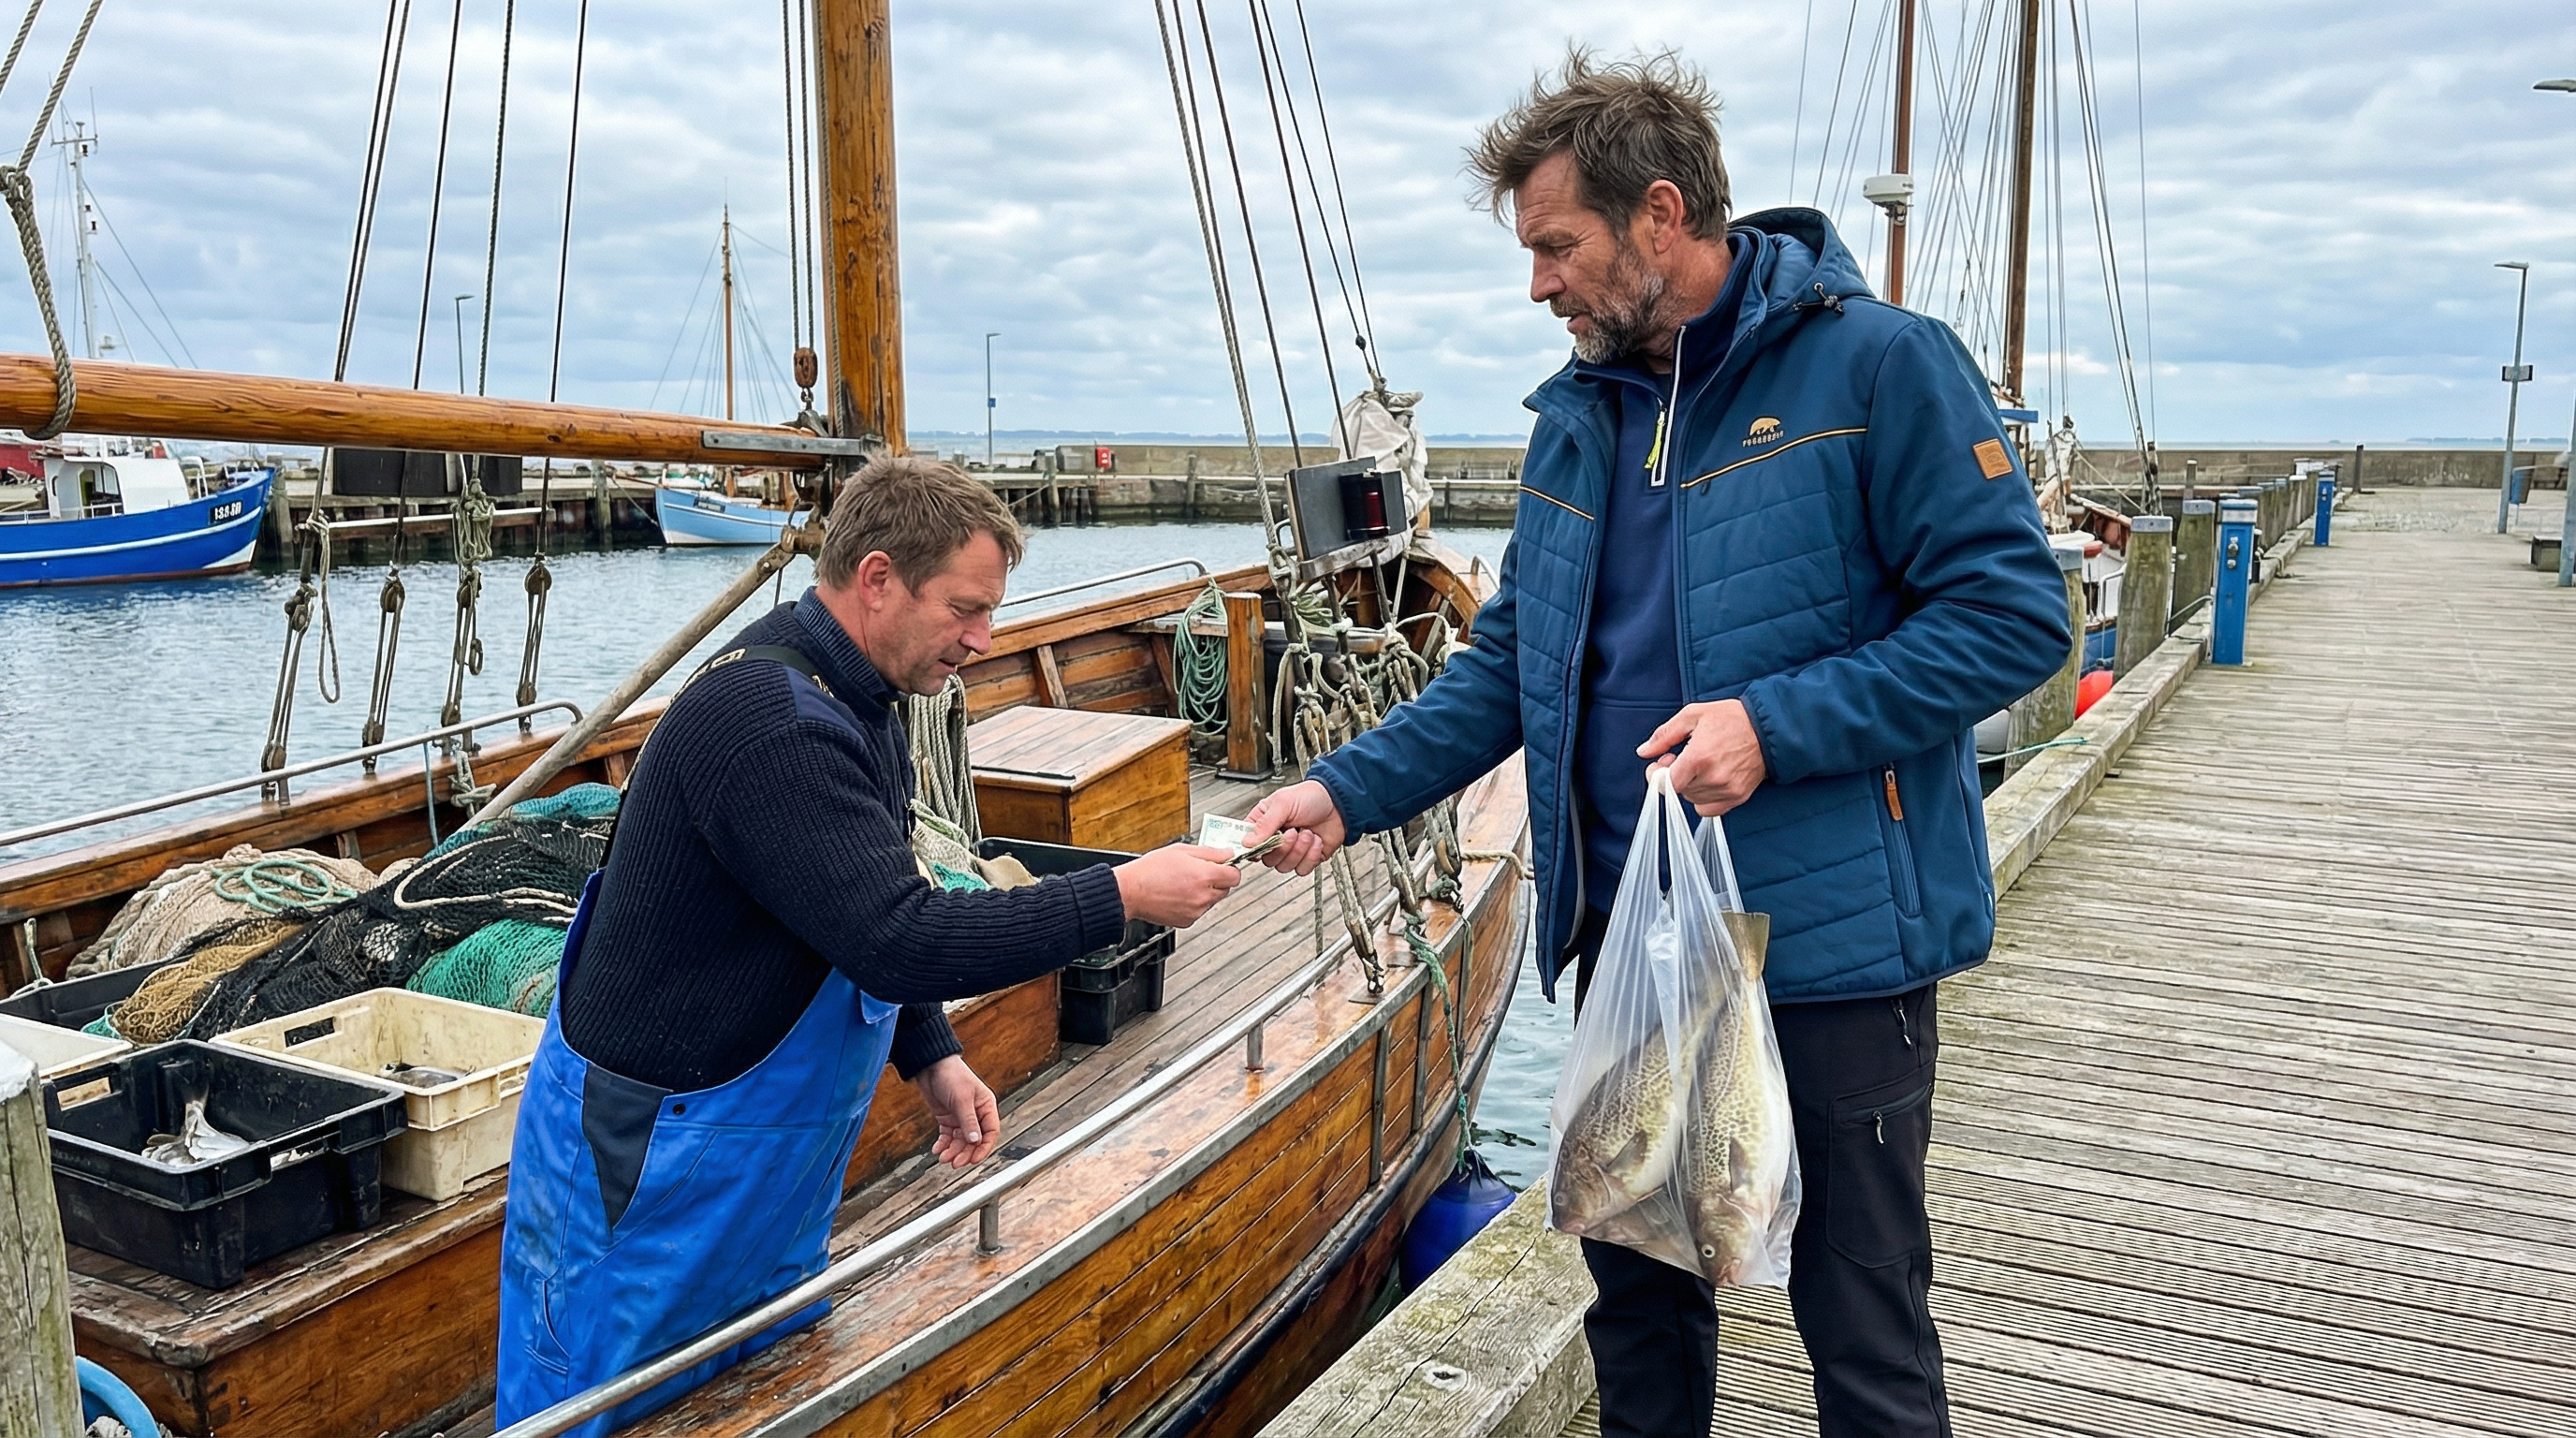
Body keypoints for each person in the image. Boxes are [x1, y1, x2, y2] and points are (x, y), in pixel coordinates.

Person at [1244, 51, 2069, 1438]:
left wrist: (1777, 725)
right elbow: (1514, 665)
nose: (1540, 285)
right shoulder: (1578, 421)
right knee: (1638, 1311)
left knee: (1861, 1313)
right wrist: (1341, 789)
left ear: (1663, 217)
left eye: (1557, 245)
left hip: (1831, 946)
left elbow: (2010, 620)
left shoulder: (1881, 366)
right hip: (1634, 938)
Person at [496, 456, 1243, 1436]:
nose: (983, 639)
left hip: (751, 1162)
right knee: (594, 1409)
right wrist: (1121, 892)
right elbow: (899, 938)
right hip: (646, 1161)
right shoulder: (772, 726)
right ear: (879, 577)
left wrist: (927, 1051)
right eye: (964, 610)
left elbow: (855, 900)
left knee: (748, 1397)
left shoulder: (865, 700)